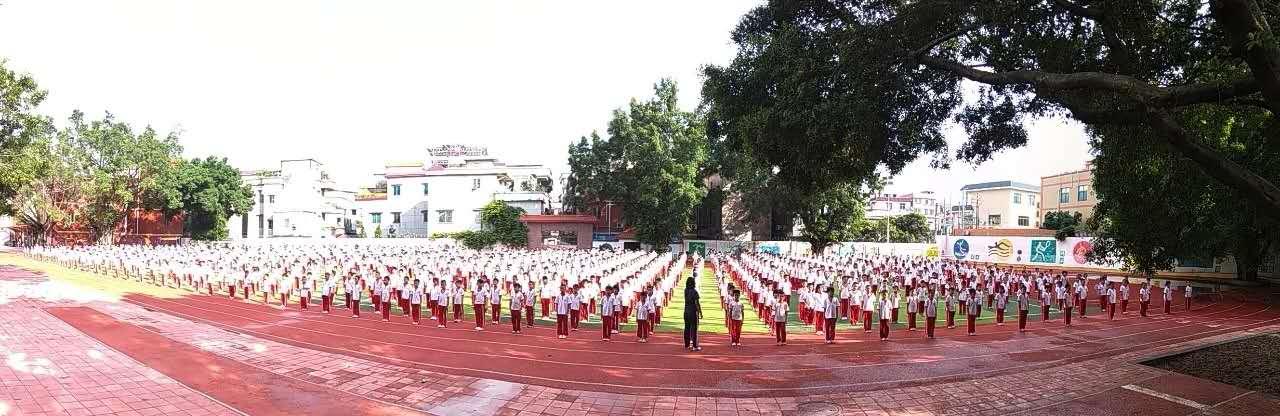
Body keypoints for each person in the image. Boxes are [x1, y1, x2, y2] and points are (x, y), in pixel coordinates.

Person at [683, 276, 703, 351]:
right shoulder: (694, 291)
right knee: (694, 329)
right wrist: (700, 312)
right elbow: (697, 303)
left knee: (687, 328)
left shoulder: (686, 290)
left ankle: (687, 344)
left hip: (686, 311)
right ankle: (695, 345)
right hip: (693, 311)